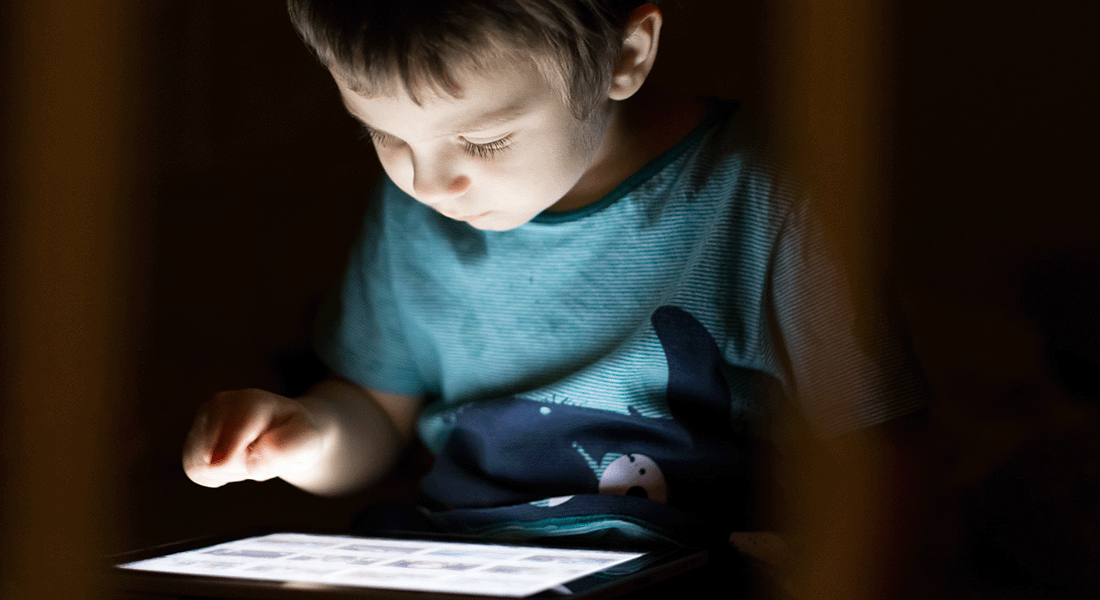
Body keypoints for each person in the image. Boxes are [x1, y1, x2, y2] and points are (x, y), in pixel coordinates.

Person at [183, 0, 925, 557]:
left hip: (683, 558)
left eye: (482, 139)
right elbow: (374, 418)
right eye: (383, 135)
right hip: (457, 552)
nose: (431, 181)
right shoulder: (415, 211)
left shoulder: (764, 192)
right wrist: (301, 436)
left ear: (625, 57)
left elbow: (877, 448)